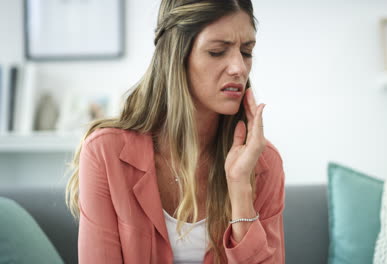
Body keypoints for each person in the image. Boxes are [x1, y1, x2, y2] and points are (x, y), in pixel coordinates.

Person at [65, 0, 285, 263]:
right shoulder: (105, 152)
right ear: (175, 56)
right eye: (217, 51)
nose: (238, 68)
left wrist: (240, 188)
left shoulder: (263, 163)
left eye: (246, 52)